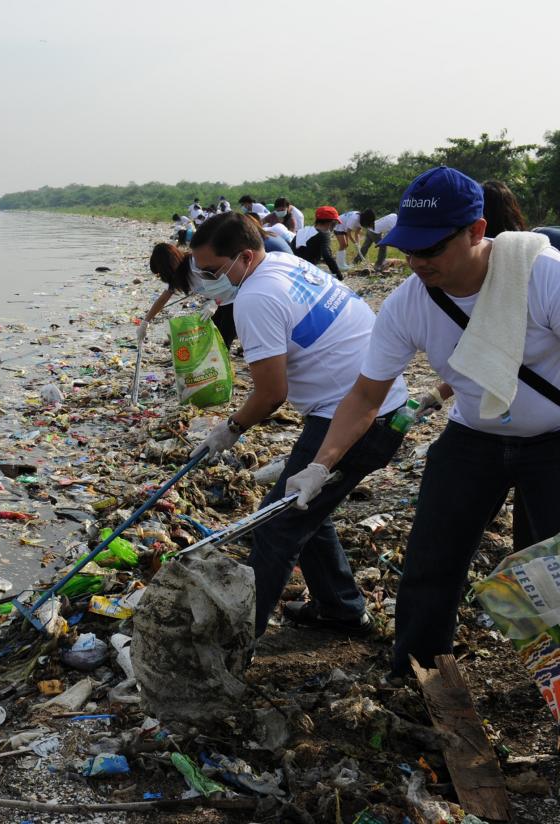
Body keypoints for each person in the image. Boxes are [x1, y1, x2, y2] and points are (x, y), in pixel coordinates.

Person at [285, 166, 560, 677]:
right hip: (474, 437)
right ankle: (416, 668)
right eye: (409, 248)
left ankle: (548, 674)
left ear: (477, 231)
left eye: (431, 250)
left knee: (546, 565)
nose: (415, 262)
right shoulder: (409, 301)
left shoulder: (544, 276)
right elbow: (366, 395)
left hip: (553, 442)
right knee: (431, 560)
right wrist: (320, 466)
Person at [187, 212, 408, 637]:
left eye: (213, 270)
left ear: (245, 257)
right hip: (387, 403)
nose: (208, 280)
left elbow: (272, 393)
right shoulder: (284, 263)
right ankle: (342, 609)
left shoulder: (255, 297)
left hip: (355, 421)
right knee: (305, 507)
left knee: (276, 526)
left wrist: (228, 428)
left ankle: (237, 642)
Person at [139, 242, 238, 348]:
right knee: (211, 338)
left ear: (167, 266)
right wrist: (145, 322)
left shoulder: (197, 265)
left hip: (234, 299)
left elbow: (231, 280)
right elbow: (163, 298)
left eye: (161, 272)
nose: (162, 276)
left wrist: (215, 302)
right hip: (219, 302)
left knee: (222, 343)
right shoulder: (178, 274)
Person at [294, 206, 344, 279]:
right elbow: (327, 256)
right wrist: (338, 275)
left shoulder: (303, 230)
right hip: (306, 271)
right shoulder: (323, 234)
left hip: (294, 267)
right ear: (331, 222)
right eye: (335, 223)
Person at [359, 208, 399, 273]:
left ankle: (356, 261)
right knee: (383, 246)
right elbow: (393, 234)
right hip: (375, 232)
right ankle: (378, 265)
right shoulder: (394, 222)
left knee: (365, 247)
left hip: (370, 230)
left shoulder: (393, 215)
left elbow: (387, 230)